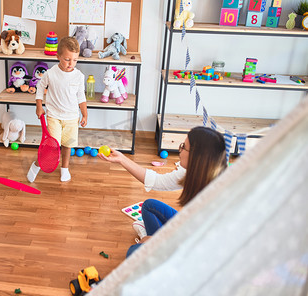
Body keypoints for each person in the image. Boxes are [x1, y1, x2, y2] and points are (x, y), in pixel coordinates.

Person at [98, 126, 227, 256]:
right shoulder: (191, 173)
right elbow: (156, 181)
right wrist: (122, 159)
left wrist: (157, 242)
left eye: (184, 147)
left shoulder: (212, 198)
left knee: (133, 253)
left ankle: (151, 242)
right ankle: (150, 240)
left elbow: (195, 247)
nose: (180, 149)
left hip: (194, 250)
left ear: (196, 156)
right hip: (186, 229)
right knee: (149, 206)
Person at [27, 36, 88, 182]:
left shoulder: (79, 76)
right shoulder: (51, 73)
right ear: (58, 56)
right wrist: (39, 106)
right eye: (67, 59)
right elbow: (40, 87)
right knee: (51, 147)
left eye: (75, 60)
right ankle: (36, 165)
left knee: (68, 145)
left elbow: (81, 96)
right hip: (54, 116)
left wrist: (84, 114)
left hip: (72, 118)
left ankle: (65, 168)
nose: (71, 63)